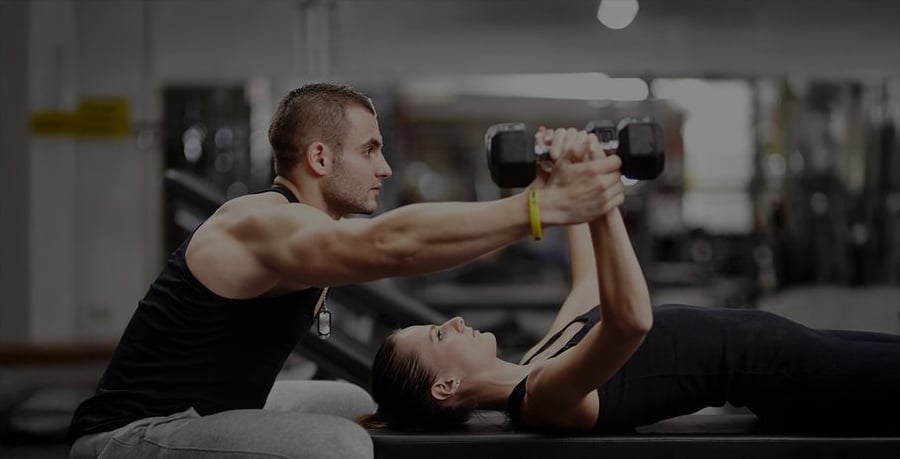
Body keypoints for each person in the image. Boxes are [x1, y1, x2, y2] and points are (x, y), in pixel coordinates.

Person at [67, 83, 627, 458]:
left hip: (212, 410)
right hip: (130, 437)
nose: (384, 167)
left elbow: (401, 244)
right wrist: (539, 208)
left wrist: (545, 191)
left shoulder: (306, 224)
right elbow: (393, 246)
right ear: (319, 158)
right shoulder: (261, 225)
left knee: (353, 402)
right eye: (370, 150)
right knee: (342, 445)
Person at [362, 128, 900, 435]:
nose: (453, 322)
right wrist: (598, 197)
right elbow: (630, 321)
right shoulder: (543, 397)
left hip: (792, 347)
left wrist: (552, 189)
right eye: (438, 336)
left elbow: (590, 284)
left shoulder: (537, 363)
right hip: (790, 375)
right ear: (445, 387)